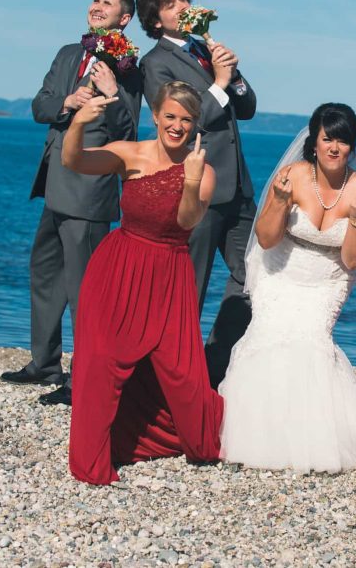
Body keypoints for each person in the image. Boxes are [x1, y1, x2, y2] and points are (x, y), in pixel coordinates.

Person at [64, 81, 223, 485]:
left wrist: (189, 180)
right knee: (100, 361)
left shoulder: (204, 171)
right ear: (155, 115)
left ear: (195, 125)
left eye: (186, 119)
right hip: (118, 267)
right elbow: (74, 161)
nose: (177, 126)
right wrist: (77, 124)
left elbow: (187, 221)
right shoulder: (129, 152)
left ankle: (179, 435)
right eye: (170, 116)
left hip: (170, 273)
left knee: (184, 377)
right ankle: (93, 460)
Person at [218, 103, 356, 472]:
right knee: (268, 339)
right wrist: (280, 202)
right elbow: (265, 239)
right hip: (281, 269)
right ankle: (259, 432)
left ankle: (311, 436)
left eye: (343, 141)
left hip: (327, 280)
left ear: (352, 147)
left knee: (310, 344)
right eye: (328, 139)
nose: (334, 147)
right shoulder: (292, 176)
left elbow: (355, 260)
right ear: (314, 142)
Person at [1, 0, 143, 406]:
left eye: (107, 3)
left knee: (85, 289)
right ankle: (44, 363)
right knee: (44, 272)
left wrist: (110, 95)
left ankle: (82, 377)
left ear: (124, 18)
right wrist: (68, 100)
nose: (97, 7)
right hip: (54, 183)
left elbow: (128, 131)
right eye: (95, 0)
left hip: (90, 191)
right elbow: (40, 107)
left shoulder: (127, 65)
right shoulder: (67, 53)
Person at [136, 0, 257, 388]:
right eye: (172, 4)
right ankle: (171, 376)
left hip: (238, 186)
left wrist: (234, 75)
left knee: (254, 274)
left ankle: (216, 361)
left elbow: (249, 108)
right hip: (198, 186)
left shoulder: (206, 48)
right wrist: (220, 84)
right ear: (156, 20)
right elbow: (185, 120)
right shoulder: (155, 63)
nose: (183, 6)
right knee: (190, 285)